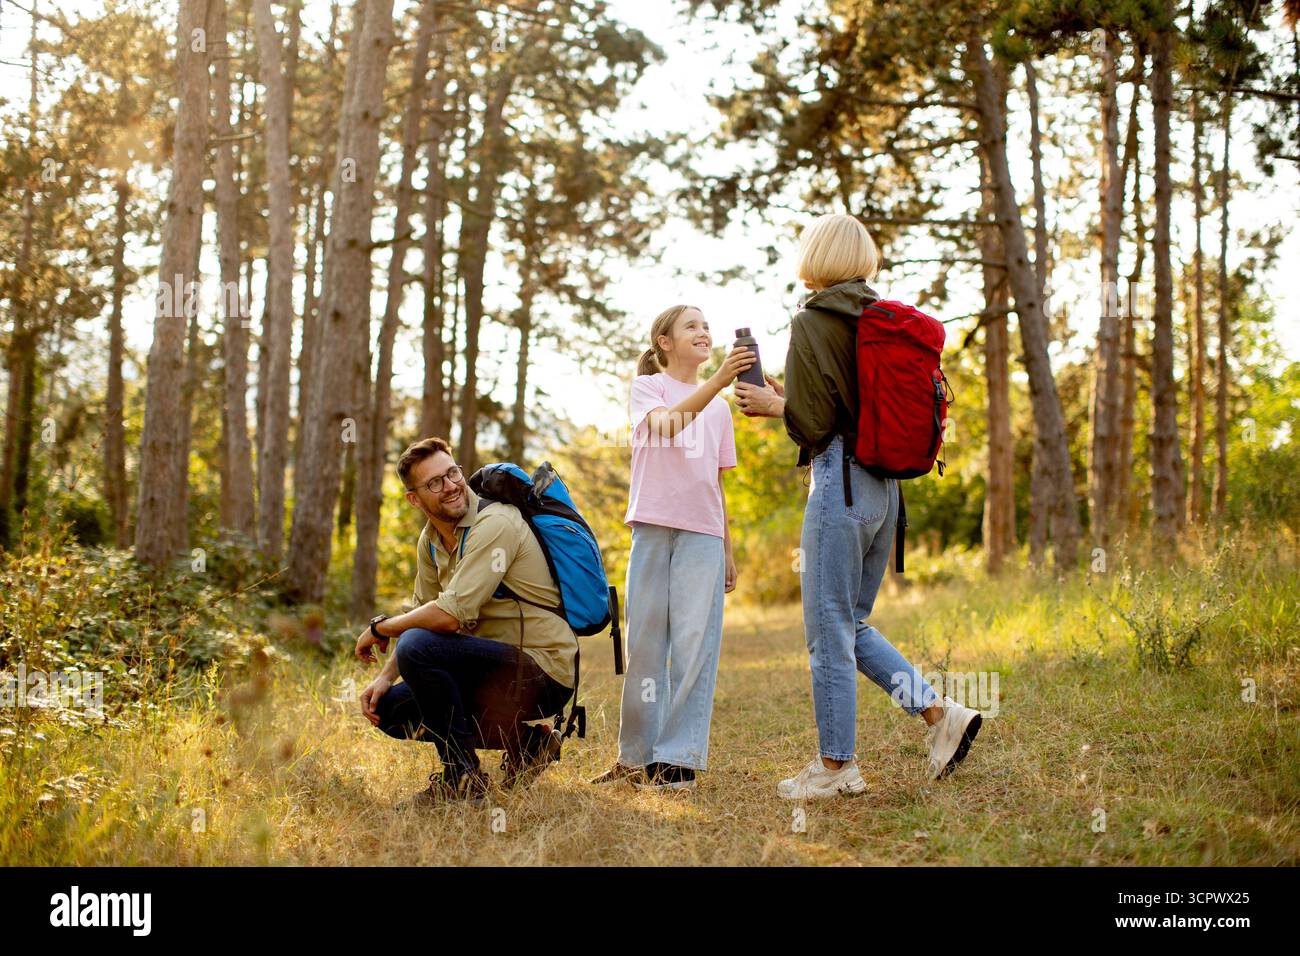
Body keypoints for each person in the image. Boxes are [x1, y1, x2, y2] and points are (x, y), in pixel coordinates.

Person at [734, 213, 982, 799]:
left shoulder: (814, 319)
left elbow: (817, 422)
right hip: (885, 490)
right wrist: (791, 401)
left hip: (839, 482)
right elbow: (851, 406)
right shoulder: (879, 317)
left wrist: (774, 407)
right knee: (851, 623)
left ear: (814, 257)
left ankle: (835, 766)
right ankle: (939, 715)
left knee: (828, 632)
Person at [354, 437, 576, 807]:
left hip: (542, 671)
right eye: (435, 483)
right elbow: (422, 615)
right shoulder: (430, 540)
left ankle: (463, 778)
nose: (452, 486)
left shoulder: (496, 523)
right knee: (390, 710)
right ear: (414, 499)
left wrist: (380, 628)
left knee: (417, 646)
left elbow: (446, 617)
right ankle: (530, 744)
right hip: (490, 670)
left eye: (452, 473)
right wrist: (384, 677)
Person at [589, 304, 754, 791]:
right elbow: (665, 426)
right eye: (692, 327)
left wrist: (727, 547)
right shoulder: (649, 388)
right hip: (652, 528)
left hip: (703, 535)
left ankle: (677, 761)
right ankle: (635, 758)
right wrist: (720, 379)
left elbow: (717, 486)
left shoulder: (720, 408)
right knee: (643, 646)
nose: (704, 332)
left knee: (693, 648)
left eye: (708, 325)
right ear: (664, 341)